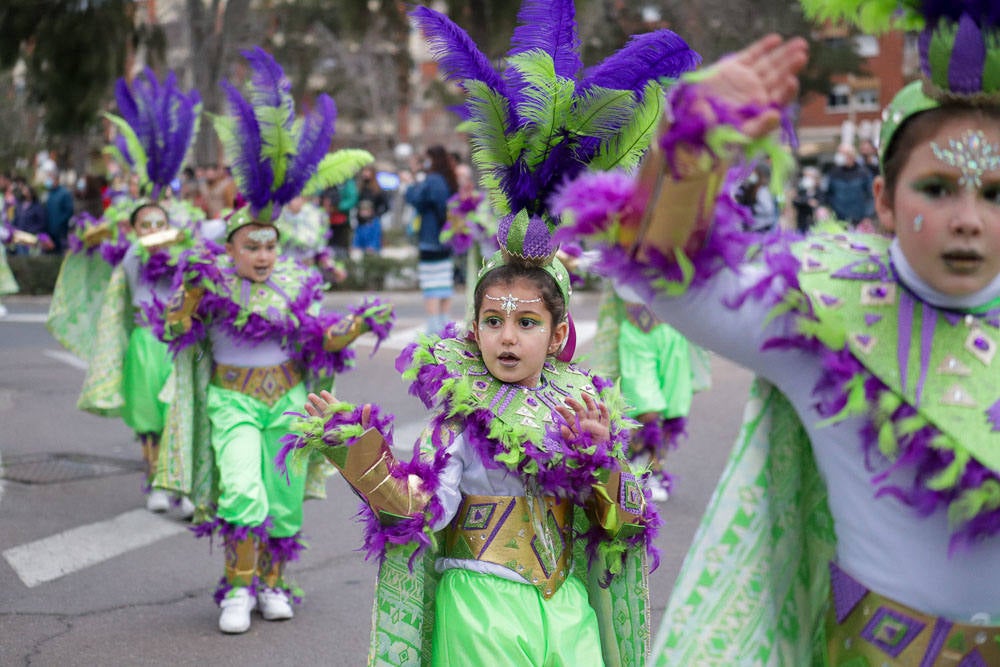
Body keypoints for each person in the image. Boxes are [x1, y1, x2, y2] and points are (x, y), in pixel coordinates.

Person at [554, 6, 1000, 662]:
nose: (967, 219)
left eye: (996, 193)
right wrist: (690, 151)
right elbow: (664, 278)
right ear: (883, 198)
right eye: (936, 188)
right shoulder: (824, 304)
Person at [284, 212, 659, 664]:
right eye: (493, 320)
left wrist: (603, 461)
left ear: (557, 335)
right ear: (474, 328)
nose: (507, 338)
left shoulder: (579, 408)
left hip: (566, 604)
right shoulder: (458, 419)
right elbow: (419, 511)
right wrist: (358, 451)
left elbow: (625, 524)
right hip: (481, 605)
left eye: (526, 323)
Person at [146, 46, 387, 636]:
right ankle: (236, 587)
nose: (261, 255)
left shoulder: (298, 282)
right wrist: (187, 302)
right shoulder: (208, 279)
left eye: (269, 245)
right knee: (244, 492)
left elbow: (319, 343)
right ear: (230, 245)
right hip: (231, 401)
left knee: (280, 498)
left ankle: (275, 585)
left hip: (287, 399)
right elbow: (176, 332)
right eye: (250, 246)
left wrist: (355, 325)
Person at [405, 145, 457, 334]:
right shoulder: (447, 179)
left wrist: (410, 183)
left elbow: (417, 199)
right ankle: (443, 326)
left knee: (432, 287)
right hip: (444, 241)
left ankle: (435, 330)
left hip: (431, 239)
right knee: (443, 285)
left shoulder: (433, 180)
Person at [824, 142, 874, 227]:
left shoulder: (864, 173)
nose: (839, 156)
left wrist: (868, 216)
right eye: (839, 153)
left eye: (842, 153)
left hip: (859, 220)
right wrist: (824, 208)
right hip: (838, 220)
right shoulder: (833, 173)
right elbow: (827, 193)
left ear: (851, 155)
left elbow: (871, 195)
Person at [353, 165, 388, 254]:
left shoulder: (377, 190)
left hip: (373, 222)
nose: (365, 174)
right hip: (361, 222)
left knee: (372, 249)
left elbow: (386, 206)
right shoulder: (359, 188)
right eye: (364, 171)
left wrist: (375, 214)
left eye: (368, 171)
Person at [40, 162, 74, 254]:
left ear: (57, 179)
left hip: (60, 232)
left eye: (50, 177)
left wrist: (59, 223)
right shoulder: (49, 193)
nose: (48, 180)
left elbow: (69, 211)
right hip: (49, 232)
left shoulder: (64, 193)